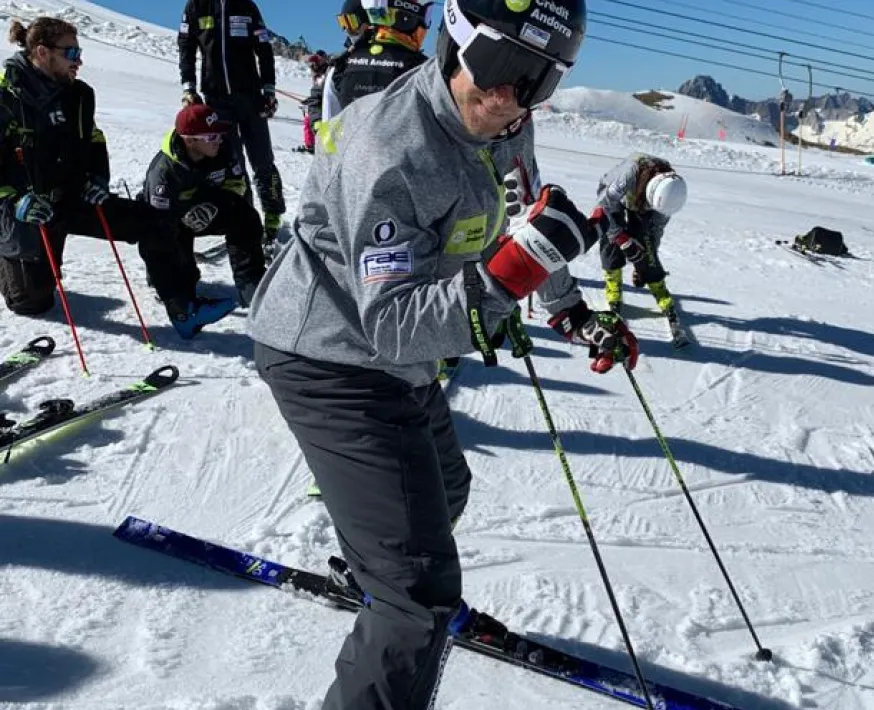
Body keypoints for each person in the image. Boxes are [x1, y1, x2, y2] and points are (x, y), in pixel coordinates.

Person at [248, 0, 636, 706]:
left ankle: (370, 566)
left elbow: (524, 223)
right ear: (455, 45)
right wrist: (505, 278)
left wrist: (570, 310)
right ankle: (388, 591)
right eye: (501, 65)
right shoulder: (390, 146)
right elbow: (392, 325)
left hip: (399, 358)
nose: (511, 95)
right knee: (419, 592)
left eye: (539, 79)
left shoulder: (506, 123)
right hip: (327, 355)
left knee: (445, 489)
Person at [0, 17, 237, 339]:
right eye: (71, 53)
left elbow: (94, 139)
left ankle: (183, 307)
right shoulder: (6, 96)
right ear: (42, 52)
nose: (78, 60)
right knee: (32, 302)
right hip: (26, 209)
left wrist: (97, 177)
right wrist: (14, 199)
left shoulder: (80, 95)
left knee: (154, 221)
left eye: (79, 52)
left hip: (72, 197)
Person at [178, 0, 286, 243]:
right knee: (232, 164)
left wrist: (269, 90)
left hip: (251, 98)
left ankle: (272, 216)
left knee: (263, 161)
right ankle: (246, 220)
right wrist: (188, 87)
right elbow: (186, 47)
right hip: (216, 100)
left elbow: (264, 49)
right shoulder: (196, 6)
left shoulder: (246, 6)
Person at [141, 104, 268, 307]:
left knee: (246, 216)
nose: (218, 139)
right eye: (211, 137)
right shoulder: (164, 170)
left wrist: (215, 204)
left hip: (209, 209)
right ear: (190, 140)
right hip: (171, 219)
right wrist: (184, 215)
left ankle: (251, 284)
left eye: (219, 133)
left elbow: (237, 183)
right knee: (178, 268)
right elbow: (156, 223)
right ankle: (167, 282)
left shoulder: (223, 148)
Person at [595, 152, 688, 322]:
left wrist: (644, 263)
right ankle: (613, 285)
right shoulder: (629, 175)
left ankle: (658, 286)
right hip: (612, 198)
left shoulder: (670, 196)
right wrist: (621, 238)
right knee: (611, 235)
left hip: (639, 199)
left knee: (645, 239)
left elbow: (655, 232)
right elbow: (604, 205)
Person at [320, 0, 431, 122]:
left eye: (350, 22)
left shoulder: (340, 67)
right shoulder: (426, 70)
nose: (346, 30)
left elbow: (328, 127)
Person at [297, 52, 329, 154]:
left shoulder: (324, 73)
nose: (313, 65)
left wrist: (312, 101)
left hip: (323, 104)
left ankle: (315, 145)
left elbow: (320, 92)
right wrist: (309, 100)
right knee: (308, 120)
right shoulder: (317, 72)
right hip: (318, 102)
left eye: (317, 61)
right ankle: (312, 144)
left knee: (310, 121)